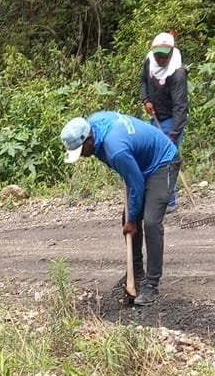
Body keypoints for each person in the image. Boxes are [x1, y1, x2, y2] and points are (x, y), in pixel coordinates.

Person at [61, 111, 180, 307]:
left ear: (89, 139)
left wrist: (132, 219)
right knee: (129, 218)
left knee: (150, 222)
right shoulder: (94, 124)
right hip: (140, 164)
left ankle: (151, 284)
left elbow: (137, 185)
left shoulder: (116, 149)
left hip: (163, 162)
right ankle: (136, 273)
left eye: (81, 150)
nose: (81, 155)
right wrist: (130, 217)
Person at [139, 30, 188, 210]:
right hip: (155, 118)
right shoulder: (149, 62)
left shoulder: (177, 73)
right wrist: (146, 100)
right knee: (154, 159)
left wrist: (173, 135)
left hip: (172, 121)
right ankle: (159, 198)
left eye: (164, 56)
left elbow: (180, 107)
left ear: (171, 52)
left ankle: (169, 202)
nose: (160, 59)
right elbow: (143, 81)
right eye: (158, 55)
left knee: (167, 161)